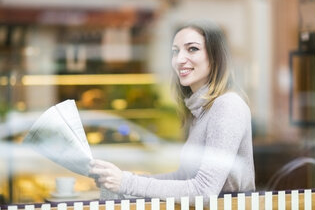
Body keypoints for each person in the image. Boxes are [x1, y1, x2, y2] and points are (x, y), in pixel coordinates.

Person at [90, 20, 256, 202]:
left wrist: (128, 183)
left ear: (215, 56)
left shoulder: (227, 106)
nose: (179, 59)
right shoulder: (202, 110)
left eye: (192, 49)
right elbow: (183, 179)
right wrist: (124, 179)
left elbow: (204, 191)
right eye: (175, 51)